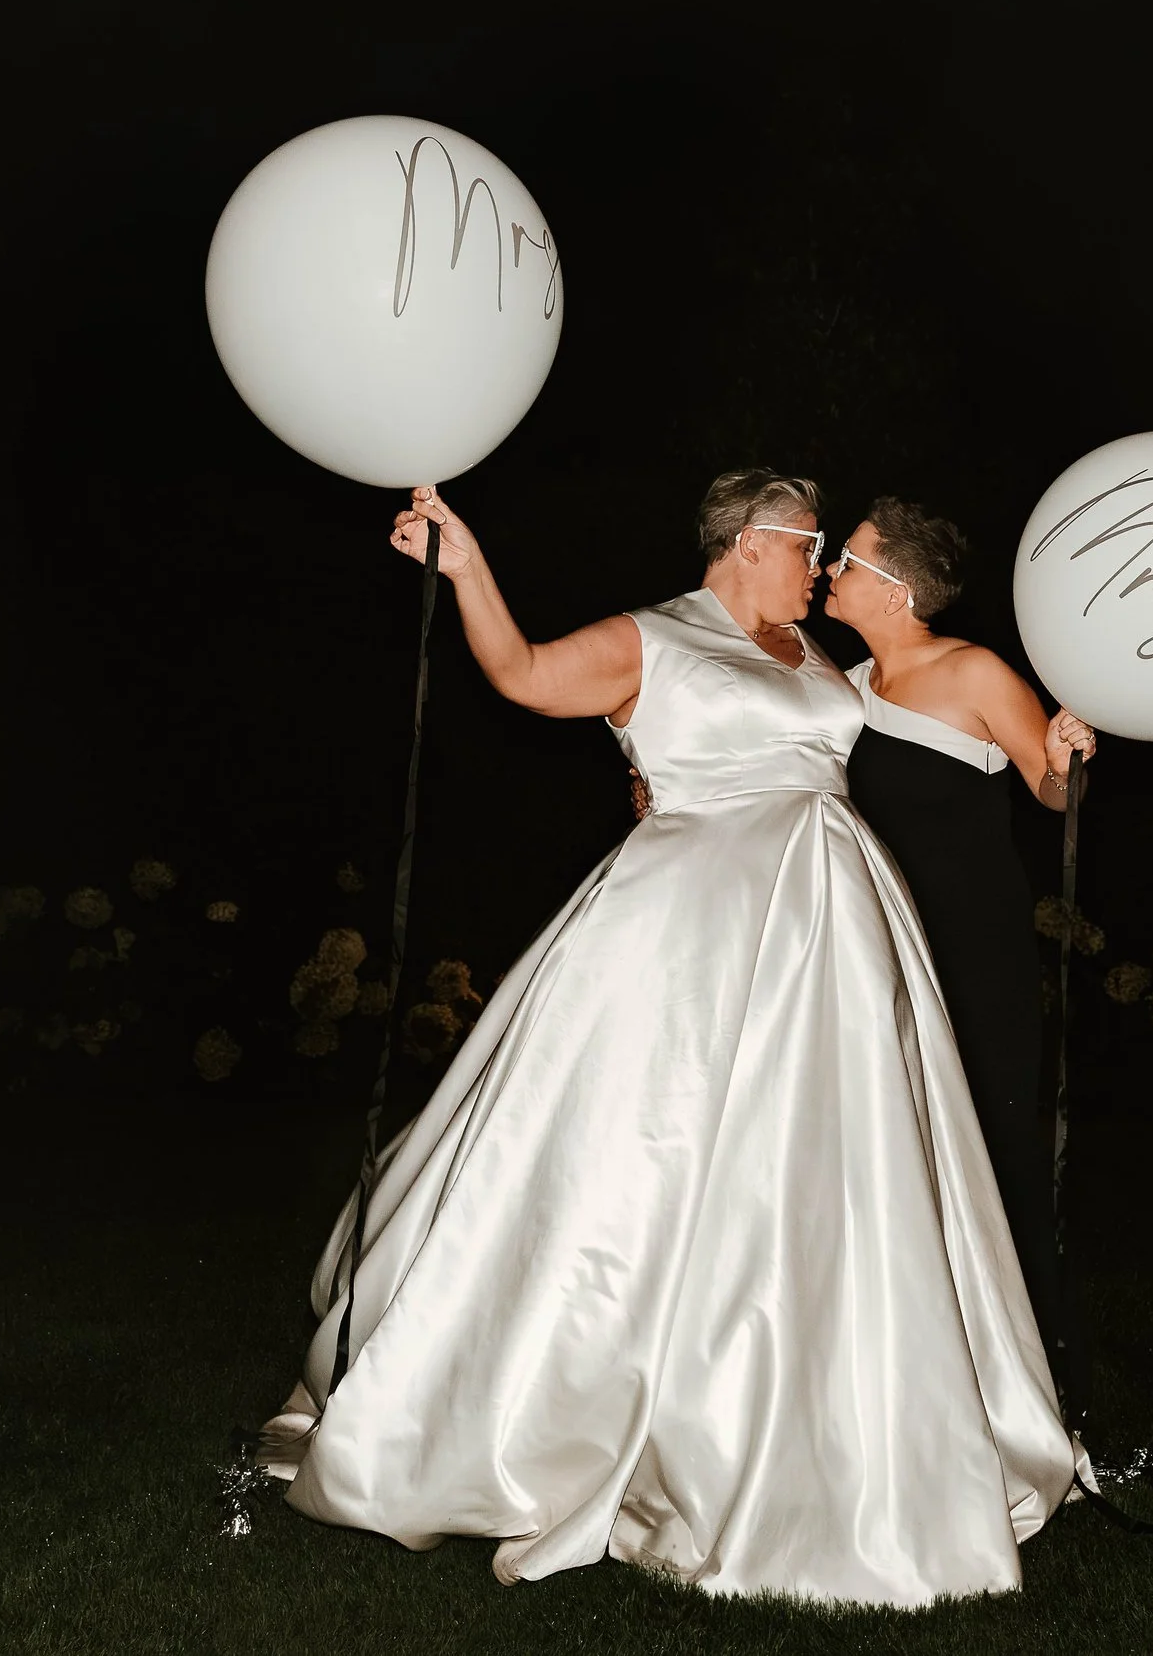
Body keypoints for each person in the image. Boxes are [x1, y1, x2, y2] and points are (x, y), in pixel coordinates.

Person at [256, 471, 1083, 1607]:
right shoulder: (657, 637)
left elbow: (928, 732)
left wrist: (1050, 752)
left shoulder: (814, 658)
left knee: (815, 1177)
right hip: (690, 934)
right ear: (752, 541)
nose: (818, 564)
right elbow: (526, 674)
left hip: (829, 936)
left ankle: (823, 1415)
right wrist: (467, 567)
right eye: (807, 544)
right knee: (644, 1158)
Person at [818, 497, 1100, 1417]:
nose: (829, 571)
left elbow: (1055, 795)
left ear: (896, 588)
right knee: (889, 1159)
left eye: (848, 561)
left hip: (974, 958)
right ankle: (913, 1383)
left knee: (998, 1156)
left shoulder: (972, 671)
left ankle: (1044, 1385)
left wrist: (1065, 752)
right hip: (874, 956)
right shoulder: (841, 687)